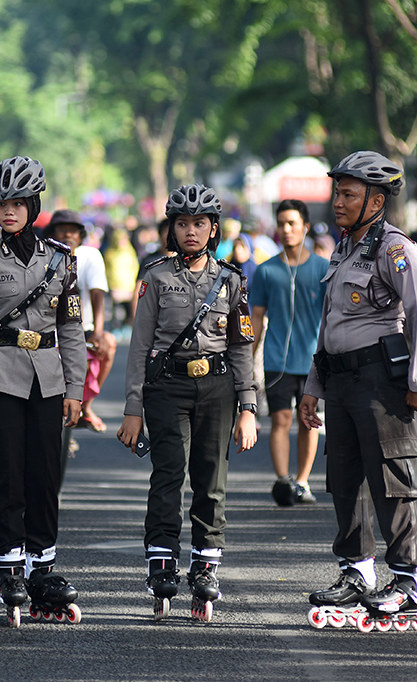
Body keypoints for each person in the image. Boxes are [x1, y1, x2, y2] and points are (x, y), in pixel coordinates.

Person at [298, 152, 417, 626]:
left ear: (376, 200)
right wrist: (313, 386)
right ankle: (356, 572)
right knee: (344, 480)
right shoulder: (344, 248)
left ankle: (407, 580)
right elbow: (329, 322)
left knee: (394, 480)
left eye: (348, 194)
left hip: (380, 382)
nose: (337, 201)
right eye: (337, 192)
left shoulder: (394, 248)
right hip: (338, 380)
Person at [117, 183, 258, 622]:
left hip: (217, 388)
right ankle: (161, 564)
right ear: (171, 228)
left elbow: (241, 347)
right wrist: (133, 408)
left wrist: (248, 408)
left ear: (213, 228)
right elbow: (140, 347)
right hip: (167, 388)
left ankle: (204, 566)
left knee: (211, 480)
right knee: (168, 476)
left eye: (199, 223)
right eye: (182, 223)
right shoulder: (155, 277)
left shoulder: (232, 280)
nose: (191, 231)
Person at [0, 156, 86, 626]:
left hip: (49, 380)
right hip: (1, 379)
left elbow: (71, 329)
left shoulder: (61, 260)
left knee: (46, 477)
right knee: (8, 476)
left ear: (33, 205)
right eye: (0, 203)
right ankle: (10, 568)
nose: (7, 211)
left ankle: (42, 569)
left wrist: (76, 386)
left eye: (16, 203)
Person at [249, 199, 329, 506]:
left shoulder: (323, 269)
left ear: (305, 227)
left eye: (292, 223)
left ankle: (302, 481)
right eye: (281, 223)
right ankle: (283, 481)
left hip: (311, 362)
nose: (286, 229)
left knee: (307, 420)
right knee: (280, 419)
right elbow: (256, 317)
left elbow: (331, 316)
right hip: (277, 361)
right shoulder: (267, 271)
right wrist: (247, 357)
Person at [44, 208, 117, 433]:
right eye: (62, 230)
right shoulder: (41, 256)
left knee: (109, 344)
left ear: (80, 236)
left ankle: (87, 405)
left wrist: (98, 330)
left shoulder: (91, 256)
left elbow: (98, 295)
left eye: (73, 231)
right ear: (52, 233)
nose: (67, 235)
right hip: (46, 330)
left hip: (81, 328)